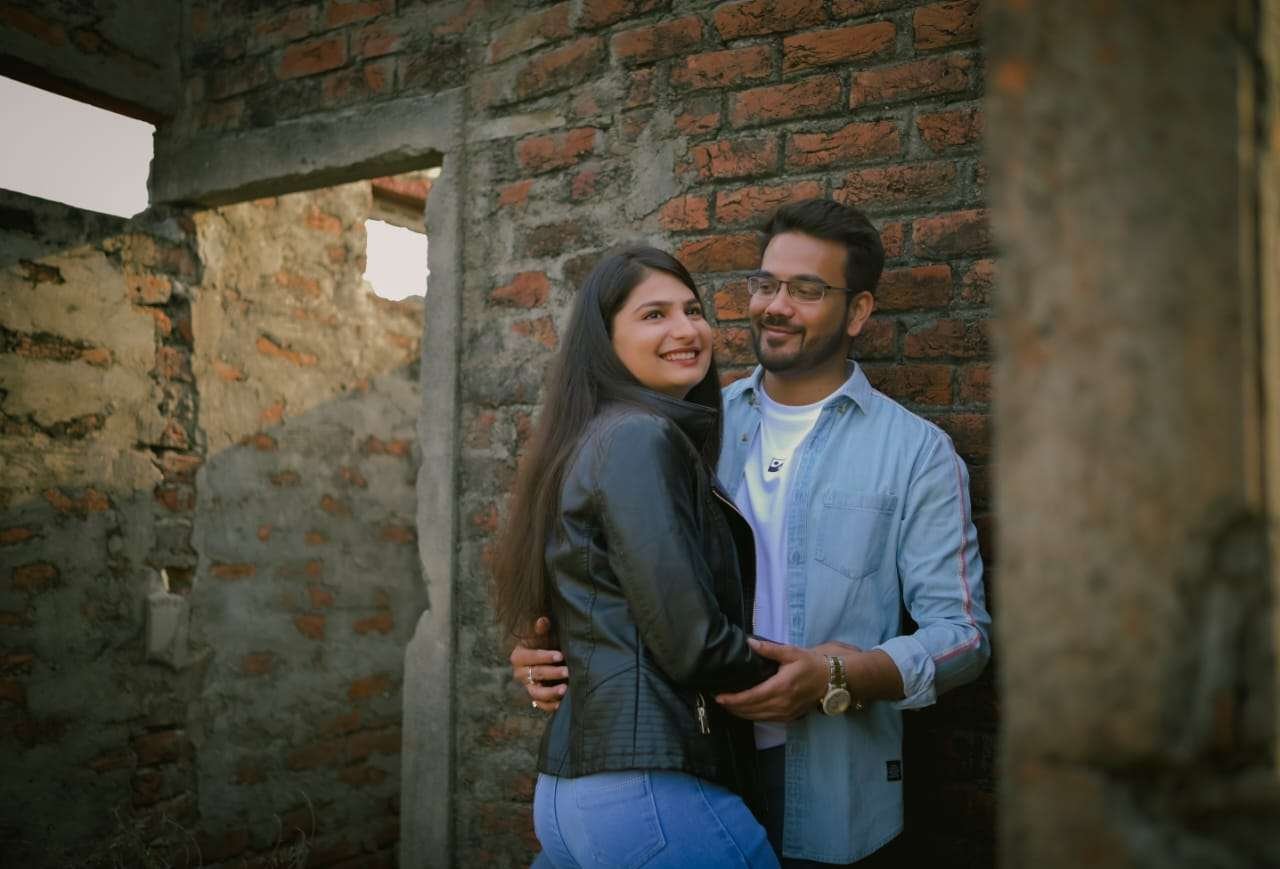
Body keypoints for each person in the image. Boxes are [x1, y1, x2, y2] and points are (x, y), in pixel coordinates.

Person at [513, 200, 992, 867]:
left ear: (857, 312)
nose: (775, 306)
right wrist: (552, 648)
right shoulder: (688, 425)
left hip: (830, 777)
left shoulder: (916, 452)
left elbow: (964, 636)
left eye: (806, 290)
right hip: (688, 757)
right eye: (765, 284)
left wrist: (842, 675)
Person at [492, 245, 782, 868]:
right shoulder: (639, 437)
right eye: (654, 315)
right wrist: (809, 675)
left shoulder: (596, 435)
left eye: (692, 310)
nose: (686, 330)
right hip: (648, 787)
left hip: (576, 795)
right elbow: (692, 643)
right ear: (605, 340)